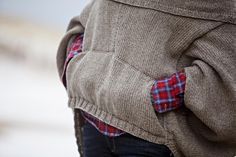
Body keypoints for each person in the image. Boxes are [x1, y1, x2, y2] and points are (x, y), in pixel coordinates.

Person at [56, 0, 236, 157]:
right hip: (94, 121)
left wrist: (152, 97)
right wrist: (78, 67)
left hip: (150, 136)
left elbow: (226, 63)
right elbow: (85, 23)